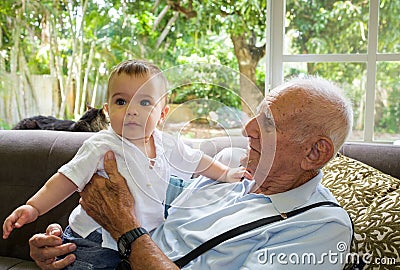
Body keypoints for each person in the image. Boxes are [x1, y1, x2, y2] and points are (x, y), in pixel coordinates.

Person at [29, 76, 354, 269]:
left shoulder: (322, 228)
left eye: (268, 124)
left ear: (314, 152)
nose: (248, 128)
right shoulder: (231, 164)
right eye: (257, 115)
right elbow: (150, 199)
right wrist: (71, 245)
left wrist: (124, 228)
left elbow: (125, 218)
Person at [3, 60, 251, 269]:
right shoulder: (102, 145)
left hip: (140, 239)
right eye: (122, 102)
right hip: (93, 241)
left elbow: (198, 162)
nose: (132, 110)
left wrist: (227, 173)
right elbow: (66, 179)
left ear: (162, 114)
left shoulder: (166, 144)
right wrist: (33, 207)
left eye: (144, 103)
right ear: (108, 111)